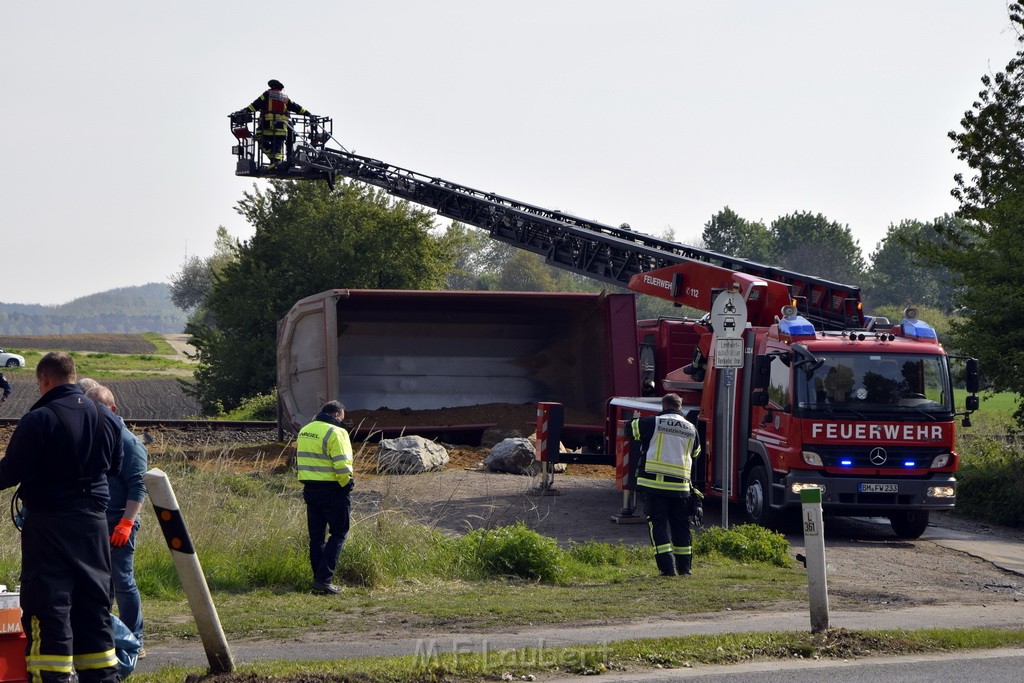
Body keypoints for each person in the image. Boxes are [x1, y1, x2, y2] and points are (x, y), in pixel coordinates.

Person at [0, 352, 122, 683]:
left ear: (45, 380)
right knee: (93, 609)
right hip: (94, 526)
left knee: (48, 609)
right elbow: (114, 466)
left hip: (50, 527)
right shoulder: (106, 417)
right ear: (72, 376)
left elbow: (9, 472)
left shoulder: (38, 419)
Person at [85, 385, 148, 654]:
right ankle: (107, 636)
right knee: (101, 583)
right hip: (95, 522)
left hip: (119, 523)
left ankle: (135, 640)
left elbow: (138, 486)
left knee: (122, 581)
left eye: (97, 411)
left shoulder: (128, 442)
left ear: (112, 410)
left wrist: (127, 523)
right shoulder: (92, 437)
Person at [630, 393, 701, 577]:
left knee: (658, 525)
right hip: (681, 488)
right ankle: (685, 569)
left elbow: (631, 429)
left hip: (655, 485)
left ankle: (667, 569)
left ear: (663, 405)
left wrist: (638, 418)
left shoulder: (654, 422)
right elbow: (695, 454)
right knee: (681, 526)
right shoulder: (692, 428)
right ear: (680, 406)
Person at [296, 400, 354, 595]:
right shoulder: (337, 432)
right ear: (337, 414)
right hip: (333, 490)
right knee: (338, 533)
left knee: (316, 538)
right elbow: (342, 463)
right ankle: (324, 579)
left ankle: (318, 579)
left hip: (310, 489)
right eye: (342, 418)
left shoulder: (305, 430)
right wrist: (347, 484)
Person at [238, 79, 315, 169]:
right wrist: (309, 114)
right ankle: (277, 161)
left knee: (259, 138)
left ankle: (276, 161)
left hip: (266, 127)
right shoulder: (285, 97)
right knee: (277, 145)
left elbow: (255, 105)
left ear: (271, 86)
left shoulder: (267, 94)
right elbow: (296, 107)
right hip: (282, 128)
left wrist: (245, 110)